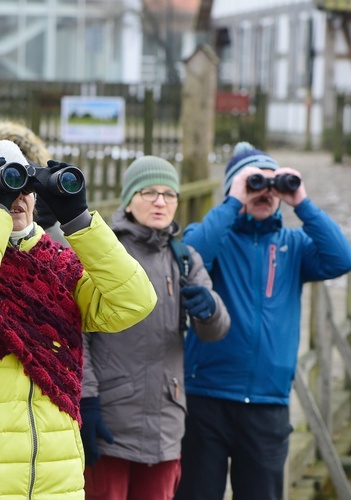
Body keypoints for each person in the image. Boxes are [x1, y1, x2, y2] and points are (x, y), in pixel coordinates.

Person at [0, 139, 158, 498]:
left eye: (25, 189)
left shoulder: (57, 268)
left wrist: (79, 222)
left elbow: (134, 302)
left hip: (56, 481)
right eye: (3, 188)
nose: (17, 198)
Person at [175, 142, 351, 499]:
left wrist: (301, 201)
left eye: (274, 186)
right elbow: (190, 254)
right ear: (234, 189)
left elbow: (343, 258)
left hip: (268, 403)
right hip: (206, 396)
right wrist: (233, 201)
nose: (266, 193)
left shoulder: (294, 245)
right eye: (255, 184)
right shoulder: (216, 237)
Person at [81, 156, 230, 499]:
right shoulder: (105, 252)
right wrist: (86, 400)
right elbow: (78, 334)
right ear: (129, 199)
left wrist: (210, 310)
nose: (161, 201)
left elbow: (217, 330)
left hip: (165, 423)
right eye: (149, 192)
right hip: (109, 419)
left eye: (169, 194)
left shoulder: (185, 258)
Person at [0, 119, 68, 246]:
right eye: (8, 179)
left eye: (25, 184)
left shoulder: (57, 250)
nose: (17, 193)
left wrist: (79, 220)